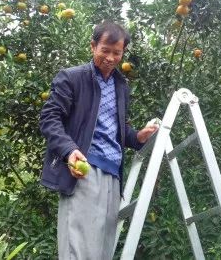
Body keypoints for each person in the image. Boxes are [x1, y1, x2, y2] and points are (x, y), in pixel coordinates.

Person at [39, 21, 159, 260]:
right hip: (84, 170)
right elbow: (49, 118)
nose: (111, 58)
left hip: (113, 176)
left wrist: (137, 137)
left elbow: (116, 126)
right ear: (93, 46)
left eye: (117, 52)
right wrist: (69, 150)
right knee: (79, 250)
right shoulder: (72, 78)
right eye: (105, 50)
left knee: (103, 251)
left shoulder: (120, 86)